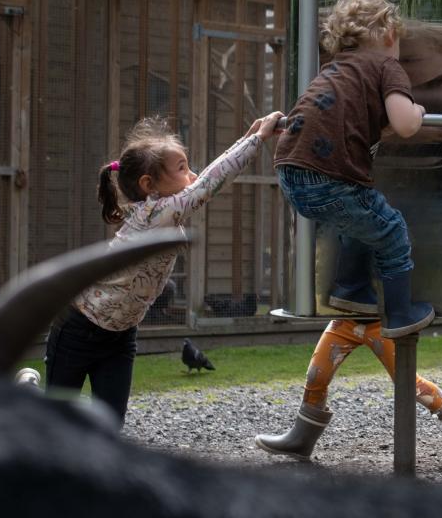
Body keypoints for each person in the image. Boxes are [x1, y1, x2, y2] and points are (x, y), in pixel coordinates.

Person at [45, 112, 284, 425]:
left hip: (120, 337)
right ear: (150, 185)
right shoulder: (156, 213)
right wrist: (256, 140)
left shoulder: (163, 210)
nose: (192, 176)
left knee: (109, 425)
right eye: (182, 169)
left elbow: (208, 176)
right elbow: (211, 182)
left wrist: (250, 135)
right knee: (53, 424)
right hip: (77, 329)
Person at [274, 0, 433, 339]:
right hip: (328, 177)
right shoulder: (385, 65)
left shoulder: (336, 68)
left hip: (290, 172)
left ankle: (350, 289)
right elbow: (406, 124)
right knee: (391, 229)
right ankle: (400, 314)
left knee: (362, 218)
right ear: (391, 34)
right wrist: (418, 110)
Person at [254, 317, 442, 464]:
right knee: (317, 374)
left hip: (382, 320)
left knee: (408, 381)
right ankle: (301, 439)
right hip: (345, 318)